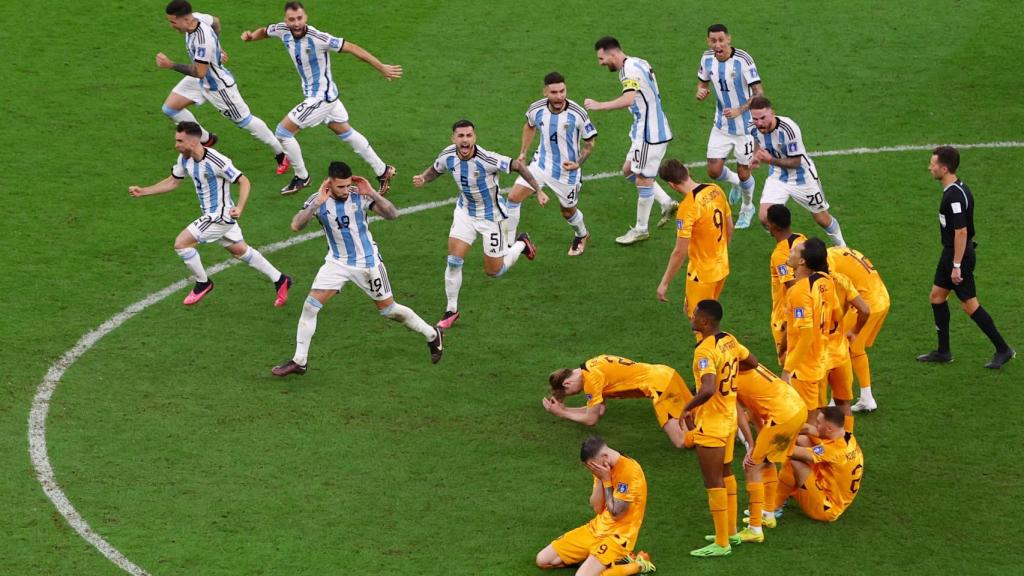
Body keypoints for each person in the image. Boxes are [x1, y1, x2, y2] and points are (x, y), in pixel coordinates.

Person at [270, 161, 442, 377]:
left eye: (347, 185)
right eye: (339, 186)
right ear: (329, 183)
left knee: (389, 310)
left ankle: (431, 334)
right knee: (310, 307)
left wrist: (372, 193)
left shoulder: (358, 195)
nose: (344, 190)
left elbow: (392, 214)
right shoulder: (317, 199)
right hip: (337, 262)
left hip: (367, 263)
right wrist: (316, 205)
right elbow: (295, 225)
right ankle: (300, 361)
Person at [240, 1, 401, 195]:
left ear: (305, 17)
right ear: (286, 20)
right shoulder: (282, 30)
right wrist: (250, 37)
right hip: (323, 94)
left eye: (300, 18)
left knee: (283, 132)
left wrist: (381, 67)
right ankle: (383, 171)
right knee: (345, 132)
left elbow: (352, 48)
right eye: (292, 19)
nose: (297, 23)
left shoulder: (318, 38)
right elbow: (265, 31)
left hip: (321, 98)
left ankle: (302, 177)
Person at [129, 122, 292, 306]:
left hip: (220, 216)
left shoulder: (217, 161)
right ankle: (280, 279)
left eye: (180, 141)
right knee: (240, 251)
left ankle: (203, 283)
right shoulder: (184, 159)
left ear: (193, 142)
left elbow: (244, 181)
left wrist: (239, 207)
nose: (176, 145)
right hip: (211, 215)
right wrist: (144, 191)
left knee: (182, 244)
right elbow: (173, 182)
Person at [412, 120, 541, 329]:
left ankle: (521, 244)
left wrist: (539, 189)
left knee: (494, 271)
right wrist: (424, 179)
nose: (465, 140)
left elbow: (517, 166)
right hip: (465, 213)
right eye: (460, 136)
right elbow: (437, 168)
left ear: (475, 138)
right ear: (453, 139)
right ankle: (451, 310)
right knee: (454, 261)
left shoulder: (487, 159)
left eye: (469, 135)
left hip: (491, 218)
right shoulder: (448, 155)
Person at [158, 1, 287, 173]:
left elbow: (200, 71)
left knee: (245, 121)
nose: (171, 26)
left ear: (186, 20)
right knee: (170, 108)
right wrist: (217, 49)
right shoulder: (197, 17)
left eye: (173, 22)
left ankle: (281, 153)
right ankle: (205, 139)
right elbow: (216, 21)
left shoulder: (202, 40)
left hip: (218, 88)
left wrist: (170, 64)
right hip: (200, 80)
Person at [917, 146, 1014, 368]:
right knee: (937, 297)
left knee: (970, 304)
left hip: (957, 255)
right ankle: (943, 351)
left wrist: (957, 265)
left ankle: (1003, 348)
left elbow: (961, 231)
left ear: (944, 168)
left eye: (933, 164)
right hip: (952, 252)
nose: (930, 167)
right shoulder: (956, 190)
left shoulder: (953, 197)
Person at [584, 36, 677, 245]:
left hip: (649, 135)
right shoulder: (638, 61)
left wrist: (600, 105)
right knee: (628, 171)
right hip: (645, 130)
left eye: (601, 58)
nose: (600, 63)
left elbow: (628, 99)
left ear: (613, 54)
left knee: (643, 178)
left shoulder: (629, 71)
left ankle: (641, 229)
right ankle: (666, 202)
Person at [684, 299, 759, 557]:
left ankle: (721, 543)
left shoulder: (704, 351)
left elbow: (707, 388)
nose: (691, 317)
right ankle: (731, 531)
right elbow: (753, 361)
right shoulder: (729, 339)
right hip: (729, 417)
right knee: (726, 473)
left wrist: (686, 407)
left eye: (695, 315)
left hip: (712, 423)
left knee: (713, 480)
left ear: (704, 321)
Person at [507, 72, 598, 256]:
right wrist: (523, 152)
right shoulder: (536, 109)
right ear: (545, 92)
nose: (559, 96)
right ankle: (509, 243)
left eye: (562, 91)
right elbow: (529, 125)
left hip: (566, 173)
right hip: (540, 164)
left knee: (567, 211)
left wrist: (578, 163)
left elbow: (590, 142)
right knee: (513, 198)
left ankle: (582, 234)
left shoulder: (578, 113)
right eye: (554, 92)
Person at [535, 436, 656, 576]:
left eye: (593, 466)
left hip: (618, 537)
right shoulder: (601, 469)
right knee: (543, 560)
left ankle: (639, 565)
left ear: (604, 456)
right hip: (596, 529)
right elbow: (597, 508)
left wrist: (606, 480)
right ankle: (601, 559)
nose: (592, 470)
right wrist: (599, 479)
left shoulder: (630, 472)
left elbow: (616, 514)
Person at [748, 96, 846, 246]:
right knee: (765, 218)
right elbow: (756, 140)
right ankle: (786, 248)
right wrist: (756, 155)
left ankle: (842, 248)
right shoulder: (752, 126)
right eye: (755, 119)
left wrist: (770, 160)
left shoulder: (789, 129)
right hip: (778, 176)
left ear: (772, 112)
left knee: (822, 219)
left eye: (763, 118)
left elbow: (796, 162)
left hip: (802, 178)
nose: (759, 123)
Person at [544, 355, 693, 448]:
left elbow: (591, 419)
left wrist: (562, 413)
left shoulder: (591, 380)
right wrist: (564, 410)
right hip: (667, 373)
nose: (577, 393)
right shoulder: (592, 365)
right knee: (697, 415)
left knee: (681, 441)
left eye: (570, 393)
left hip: (660, 387)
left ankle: (711, 440)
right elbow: (598, 411)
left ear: (567, 384)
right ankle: (708, 432)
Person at [695, 24, 763, 228]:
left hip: (745, 128)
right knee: (713, 171)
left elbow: (759, 92)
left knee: (745, 172)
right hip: (721, 125)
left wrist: (740, 110)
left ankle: (747, 207)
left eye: (721, 40)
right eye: (713, 40)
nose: (718, 44)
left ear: (729, 39)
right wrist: (701, 91)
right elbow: (703, 83)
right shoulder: (707, 58)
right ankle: (735, 182)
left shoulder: (743, 60)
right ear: (708, 41)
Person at [733, 363, 805, 541]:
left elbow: (740, 415)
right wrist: (759, 440)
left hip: (782, 416)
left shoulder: (727, 379)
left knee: (752, 467)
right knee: (767, 458)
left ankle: (754, 529)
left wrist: (751, 445)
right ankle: (768, 513)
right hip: (797, 408)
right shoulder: (751, 367)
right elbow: (754, 407)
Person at [656, 160, 733, 319]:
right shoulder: (715, 189)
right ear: (686, 171)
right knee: (710, 316)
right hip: (722, 267)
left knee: (700, 323)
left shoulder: (687, 207)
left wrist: (664, 283)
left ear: (671, 185)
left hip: (702, 275)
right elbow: (729, 227)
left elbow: (679, 251)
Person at [771, 406, 864, 523]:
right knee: (803, 439)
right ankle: (787, 490)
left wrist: (770, 436)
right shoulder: (846, 436)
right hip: (836, 495)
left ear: (829, 428)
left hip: (827, 508)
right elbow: (810, 430)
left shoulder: (834, 451)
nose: (815, 424)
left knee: (795, 460)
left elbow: (792, 451)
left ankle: (773, 507)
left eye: (818, 423)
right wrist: (783, 426)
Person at [827, 246, 890, 412]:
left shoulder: (827, 265)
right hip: (882, 298)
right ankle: (866, 398)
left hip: (868, 303)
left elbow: (841, 295)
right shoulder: (835, 251)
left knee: (838, 347)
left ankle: (836, 400)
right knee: (855, 348)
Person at [779, 238, 833, 420]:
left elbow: (806, 336)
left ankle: (830, 448)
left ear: (802, 261)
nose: (790, 252)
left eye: (795, 250)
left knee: (805, 422)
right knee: (817, 416)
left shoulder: (799, 291)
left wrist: (787, 370)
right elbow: (837, 315)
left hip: (804, 368)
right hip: (821, 360)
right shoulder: (826, 281)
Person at [821, 267, 870, 432]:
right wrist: (855, 331)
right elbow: (865, 310)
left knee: (816, 407)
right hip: (840, 353)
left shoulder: (806, 287)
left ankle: (818, 449)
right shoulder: (842, 280)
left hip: (817, 355)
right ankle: (848, 441)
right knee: (843, 402)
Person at [765, 205, 806, 363]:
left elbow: (792, 286)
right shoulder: (801, 238)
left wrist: (789, 320)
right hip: (809, 308)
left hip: (786, 315)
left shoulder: (780, 254)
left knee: (790, 364)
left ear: (773, 225)